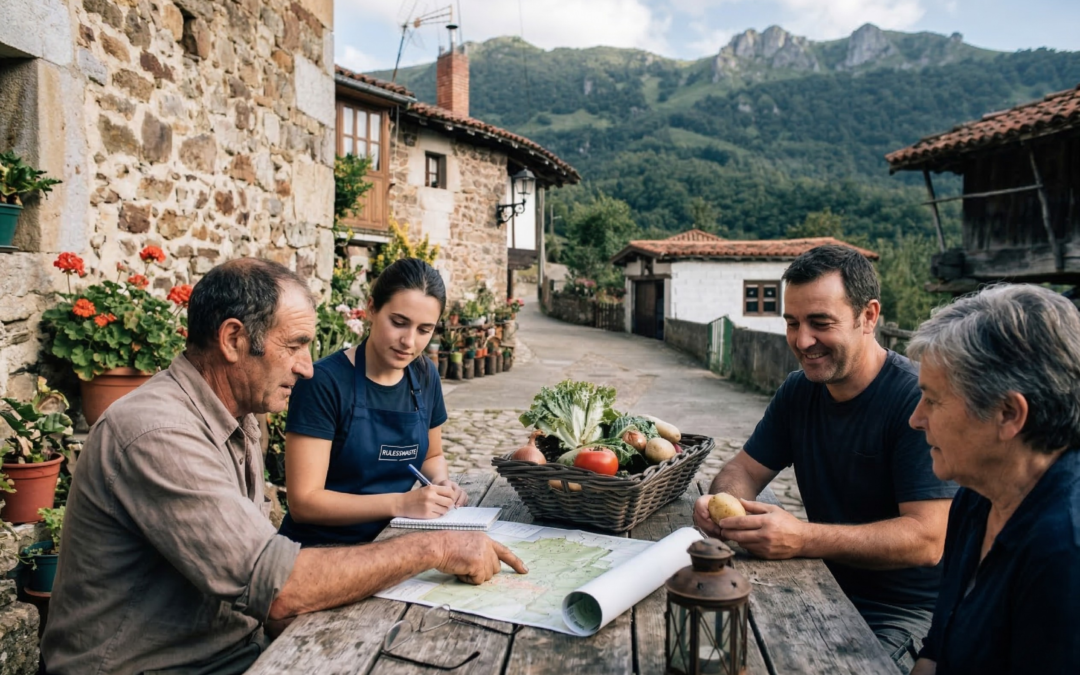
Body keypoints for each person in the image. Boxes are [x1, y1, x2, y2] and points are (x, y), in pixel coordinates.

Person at [41, 259, 526, 675]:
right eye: (294, 345)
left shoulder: (239, 416)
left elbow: (253, 580)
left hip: (232, 647)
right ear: (233, 339)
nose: (308, 366)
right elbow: (278, 588)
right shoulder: (157, 432)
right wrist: (437, 546)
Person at [692, 244, 957, 668]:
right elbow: (743, 468)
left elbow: (927, 540)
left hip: (902, 615)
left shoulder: (914, 402)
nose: (802, 341)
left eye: (820, 323)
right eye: (792, 323)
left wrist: (802, 537)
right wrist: (725, 506)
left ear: (868, 316)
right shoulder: (799, 391)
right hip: (814, 583)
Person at [907, 285, 1080, 675]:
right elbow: (936, 652)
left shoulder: (1064, 553)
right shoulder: (976, 499)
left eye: (932, 400)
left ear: (1008, 413)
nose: (916, 419)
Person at [279, 258, 465, 546]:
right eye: (399, 323)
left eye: (424, 330)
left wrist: (440, 484)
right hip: (320, 550)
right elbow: (304, 503)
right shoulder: (323, 383)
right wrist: (401, 503)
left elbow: (432, 456)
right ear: (372, 309)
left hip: (390, 541)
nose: (409, 341)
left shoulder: (424, 374)